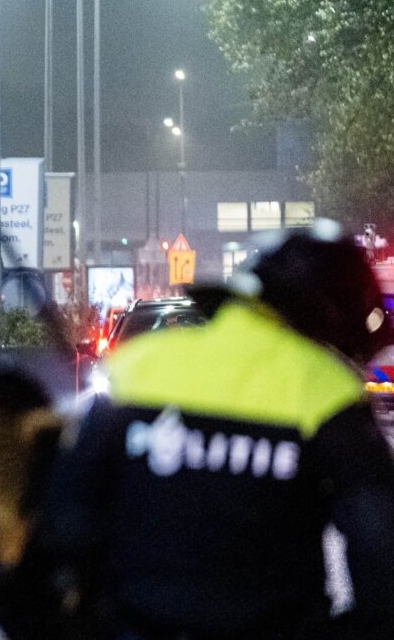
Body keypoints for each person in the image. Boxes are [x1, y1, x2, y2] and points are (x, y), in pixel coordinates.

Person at [41, 220, 394, 638]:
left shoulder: (138, 365)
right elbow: (379, 547)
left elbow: (66, 519)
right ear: (334, 316)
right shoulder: (327, 390)